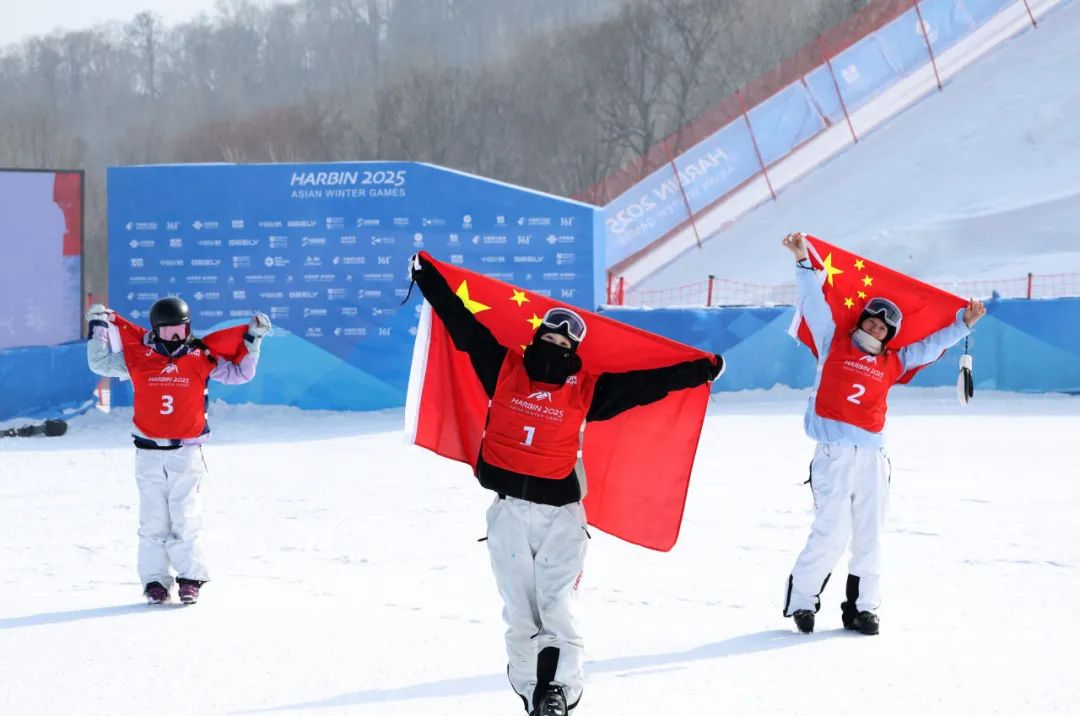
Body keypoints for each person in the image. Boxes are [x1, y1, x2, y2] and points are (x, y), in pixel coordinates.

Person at [408, 254, 723, 716]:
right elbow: (463, 324)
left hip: (561, 517)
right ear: (536, 339)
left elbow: (646, 385)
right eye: (549, 337)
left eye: (564, 341)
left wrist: (701, 370)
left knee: (556, 606)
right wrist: (427, 277)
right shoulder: (502, 369)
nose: (555, 346)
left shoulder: (586, 390)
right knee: (520, 613)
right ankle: (530, 690)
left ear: (575, 350)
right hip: (509, 512)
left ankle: (555, 691)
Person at [780, 232, 986, 635]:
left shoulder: (894, 361)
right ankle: (803, 601)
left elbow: (929, 346)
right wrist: (803, 261)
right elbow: (815, 304)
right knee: (831, 532)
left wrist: (963, 324)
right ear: (862, 321)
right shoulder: (832, 343)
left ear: (888, 335)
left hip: (873, 456)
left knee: (870, 534)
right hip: (834, 454)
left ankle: (863, 609)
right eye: (871, 320)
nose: (875, 327)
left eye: (882, 326)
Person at [86, 296, 270, 605]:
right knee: (153, 520)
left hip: (186, 452)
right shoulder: (137, 355)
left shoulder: (201, 355)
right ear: (156, 330)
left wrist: (254, 340)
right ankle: (155, 580)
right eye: (169, 332)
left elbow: (240, 374)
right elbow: (99, 363)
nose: (176, 338)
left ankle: (190, 577)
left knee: (186, 517)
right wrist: (98, 327)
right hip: (147, 452)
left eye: (181, 331)